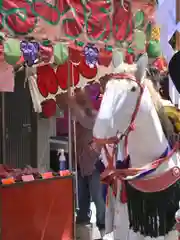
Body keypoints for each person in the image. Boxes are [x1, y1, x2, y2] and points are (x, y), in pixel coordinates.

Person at [66, 90, 106, 235]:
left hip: (94, 164)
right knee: (82, 196)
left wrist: (73, 103)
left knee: (97, 196)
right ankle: (83, 224)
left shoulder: (95, 116)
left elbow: (86, 122)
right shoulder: (75, 120)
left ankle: (103, 225)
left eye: (83, 99)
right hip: (80, 164)